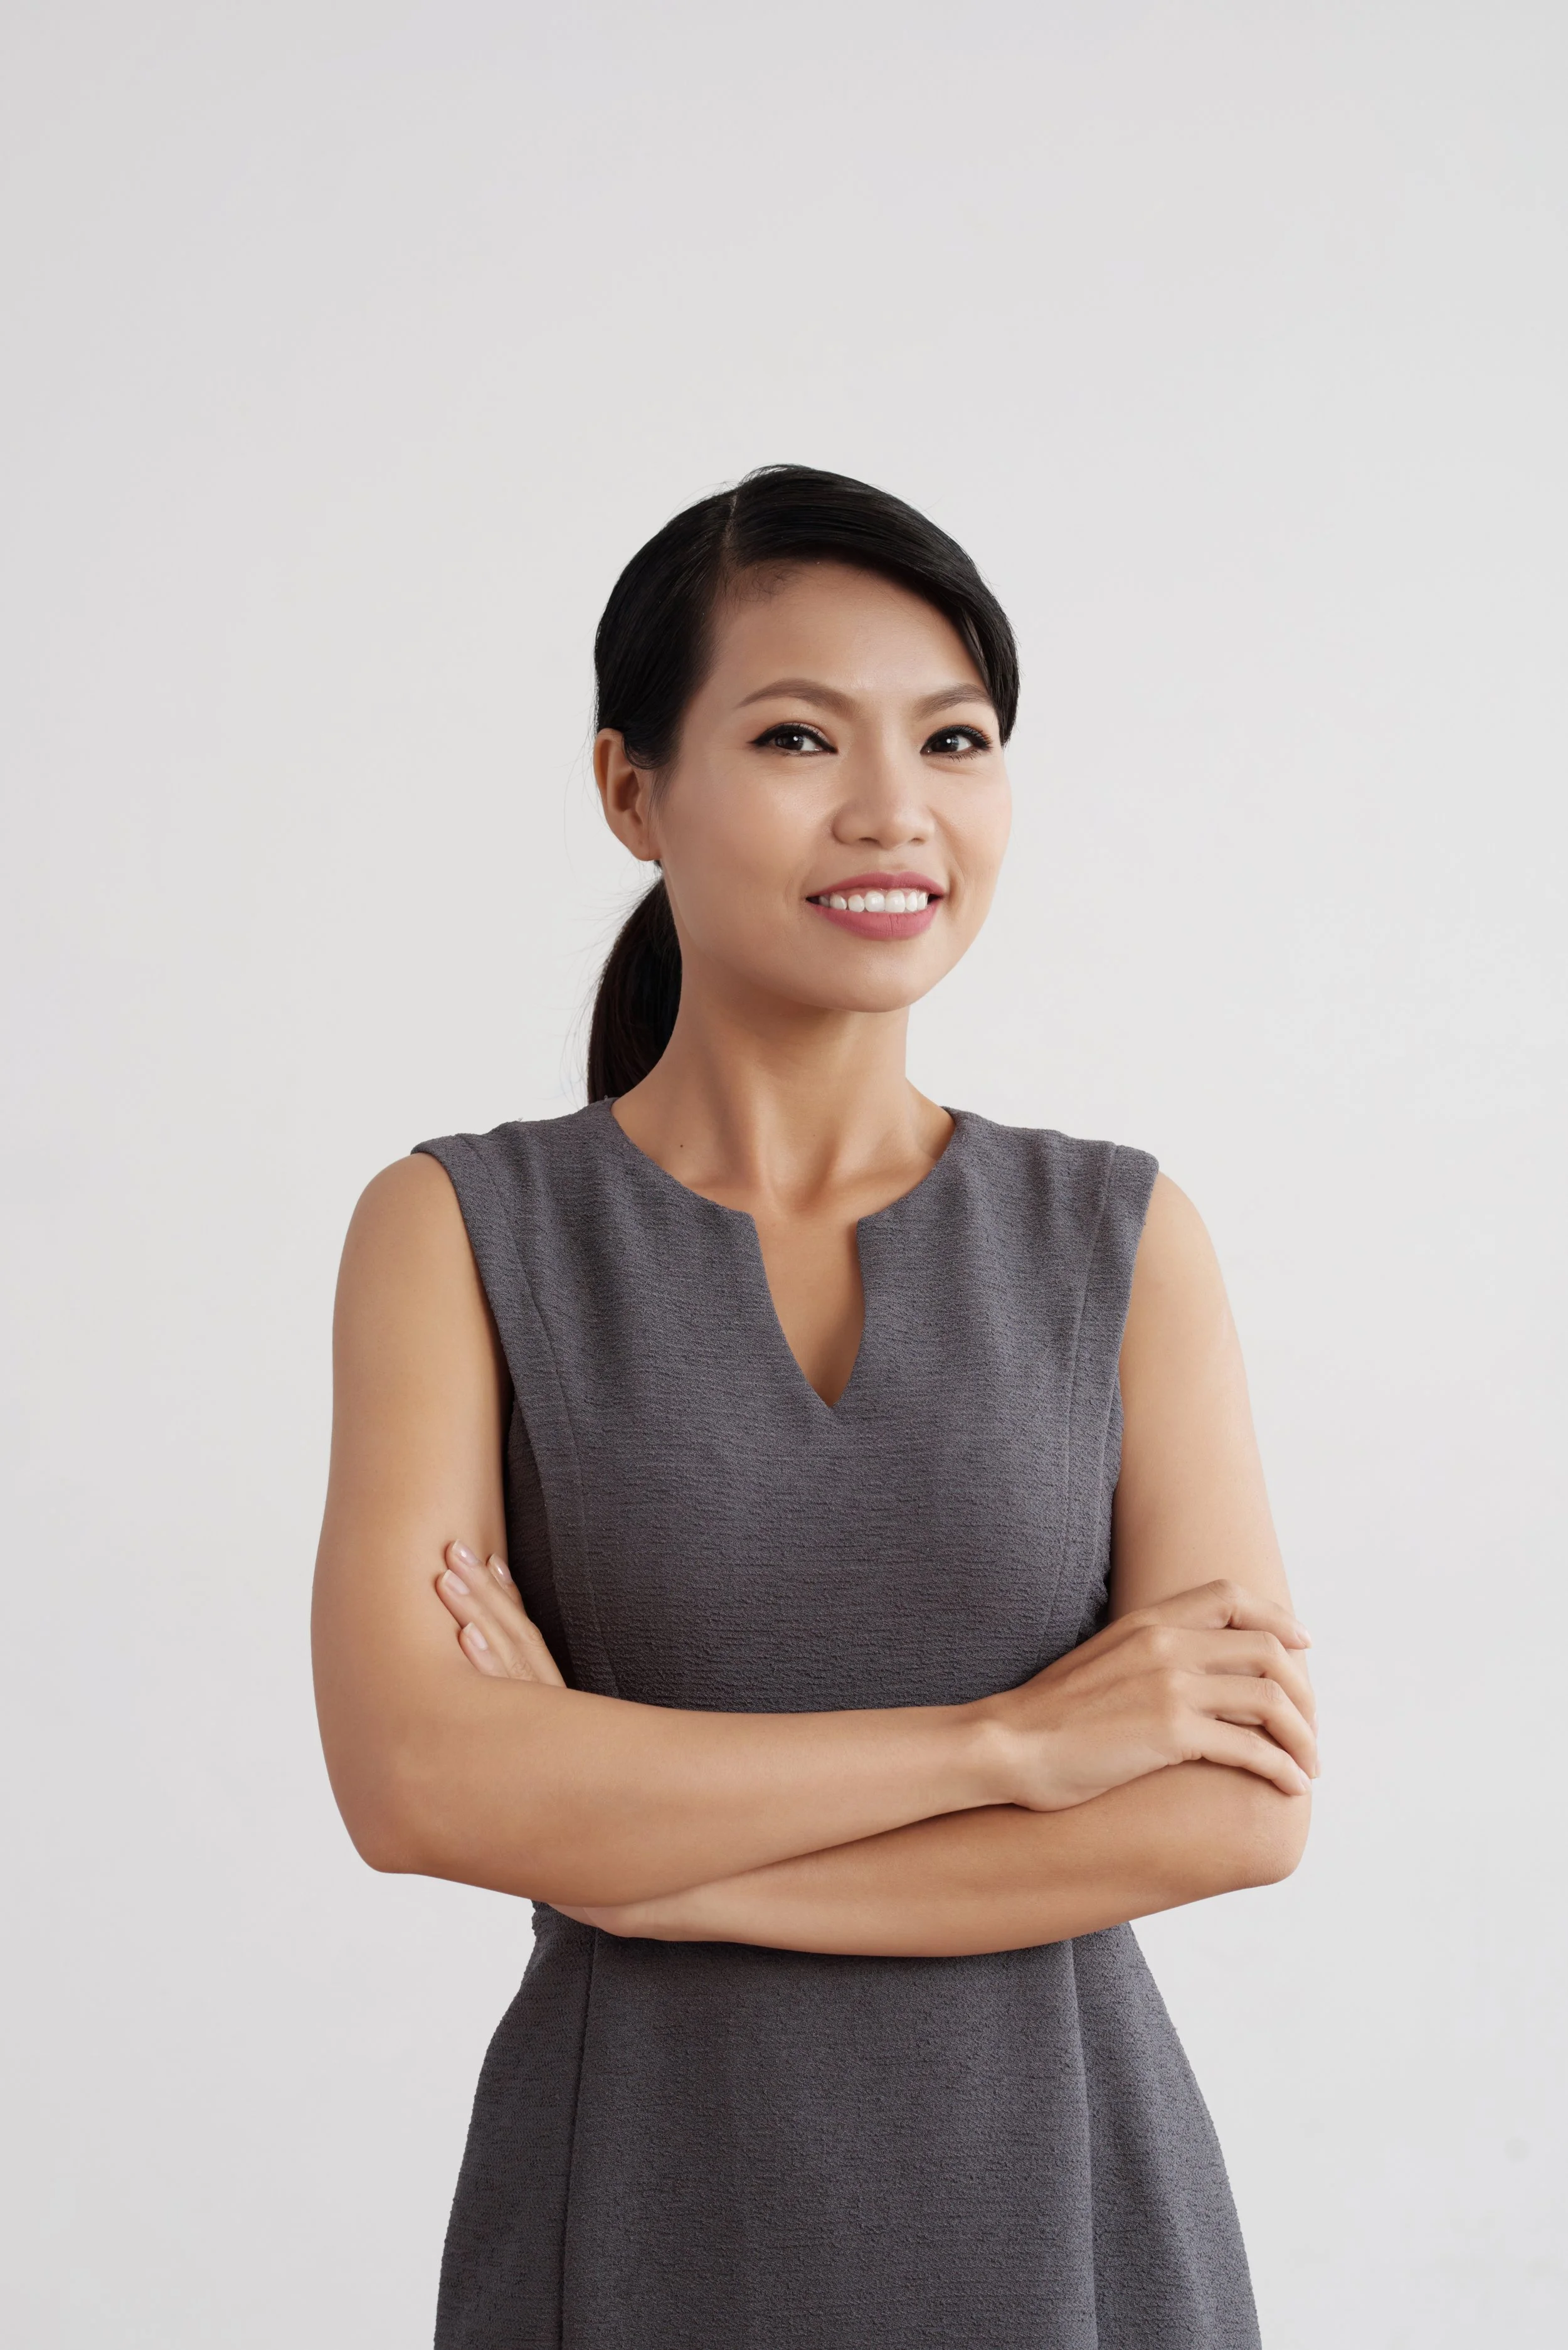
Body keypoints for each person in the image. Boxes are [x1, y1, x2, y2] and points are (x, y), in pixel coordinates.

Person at [311, 464, 1315, 2349]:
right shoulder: (459, 1229)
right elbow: (420, 1779)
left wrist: (659, 1877)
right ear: (631, 788)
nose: (894, 812)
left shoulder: (1118, 1237)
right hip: (632, 2228)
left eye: (955, 740)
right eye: (796, 735)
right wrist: (1008, 1751)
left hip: (1076, 2230)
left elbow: (1231, 1809)